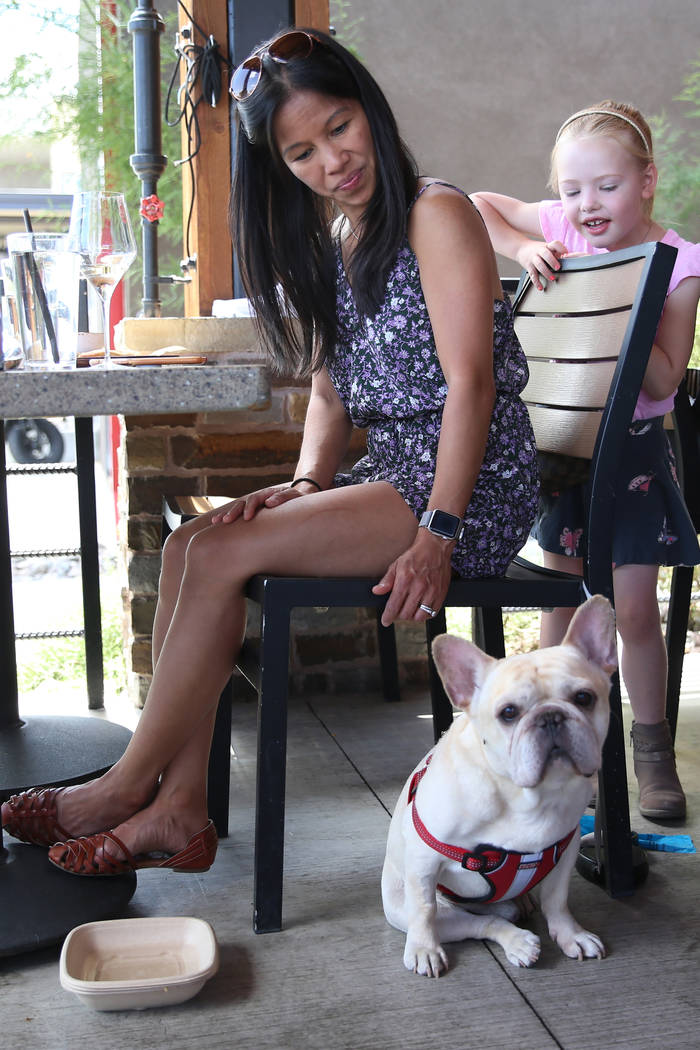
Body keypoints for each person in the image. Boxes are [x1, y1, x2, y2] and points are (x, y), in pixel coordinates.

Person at [1, 29, 538, 875]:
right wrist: (303, 484)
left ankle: (122, 788)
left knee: (223, 551)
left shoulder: (436, 212)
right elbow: (329, 391)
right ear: (281, 167)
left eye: (339, 126)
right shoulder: (342, 239)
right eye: (302, 151)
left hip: (468, 488)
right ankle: (179, 809)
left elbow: (471, 384)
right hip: (393, 477)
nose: (334, 159)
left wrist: (439, 530)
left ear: (368, 106)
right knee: (191, 544)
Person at [472, 100, 700, 820]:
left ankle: (652, 754)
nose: (585, 205)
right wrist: (522, 247)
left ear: (645, 183)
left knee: (631, 611)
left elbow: (664, 377)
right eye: (571, 191)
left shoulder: (681, 264)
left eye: (605, 187)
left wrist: (626, 297)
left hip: (631, 451)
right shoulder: (567, 227)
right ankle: (557, 745)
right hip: (569, 447)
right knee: (559, 604)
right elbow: (476, 206)